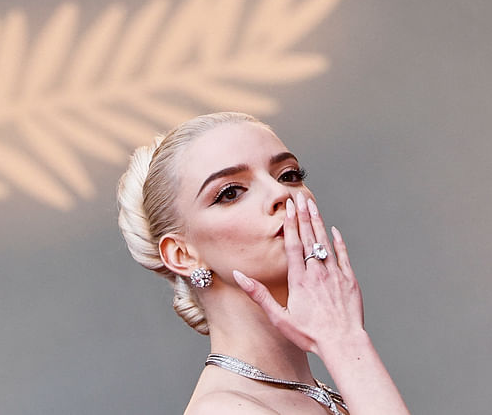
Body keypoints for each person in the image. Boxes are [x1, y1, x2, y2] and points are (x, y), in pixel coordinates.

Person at [116, 112, 410, 415]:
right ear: (182, 254)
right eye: (230, 193)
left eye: (289, 175)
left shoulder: (327, 398)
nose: (281, 193)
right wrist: (345, 342)